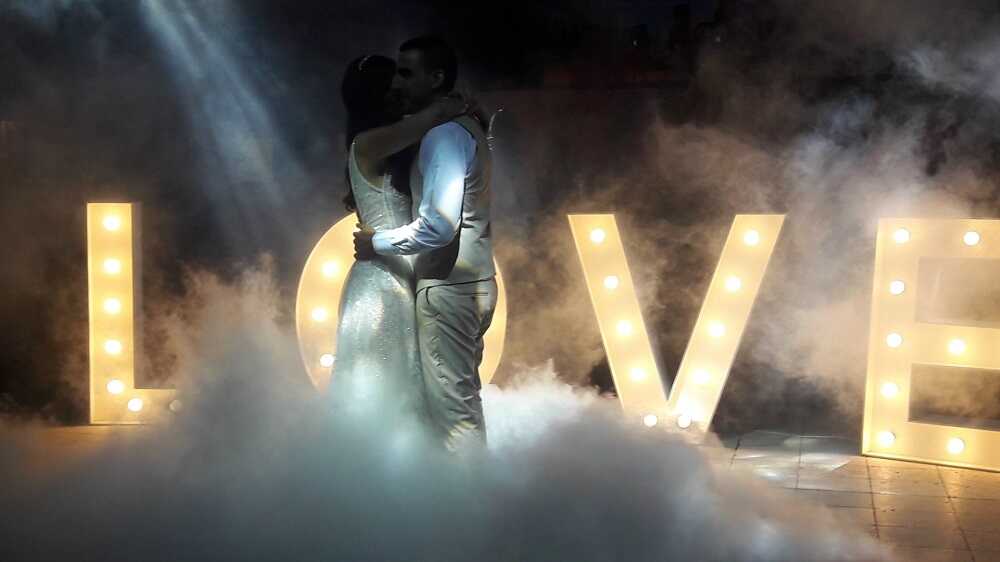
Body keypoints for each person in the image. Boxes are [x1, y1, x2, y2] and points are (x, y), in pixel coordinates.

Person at [354, 37, 497, 451]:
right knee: (458, 409)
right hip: (470, 283)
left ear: (436, 78)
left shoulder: (444, 136)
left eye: (406, 72)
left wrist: (377, 242)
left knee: (455, 418)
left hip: (448, 288)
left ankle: (470, 496)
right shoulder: (461, 128)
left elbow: (439, 227)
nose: (398, 82)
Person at [331, 54, 469, 434]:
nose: (404, 89)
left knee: (404, 398)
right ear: (380, 94)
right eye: (397, 83)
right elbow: (432, 116)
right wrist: (457, 103)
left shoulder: (387, 146)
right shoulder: (368, 143)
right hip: (381, 286)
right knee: (382, 400)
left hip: (398, 274)